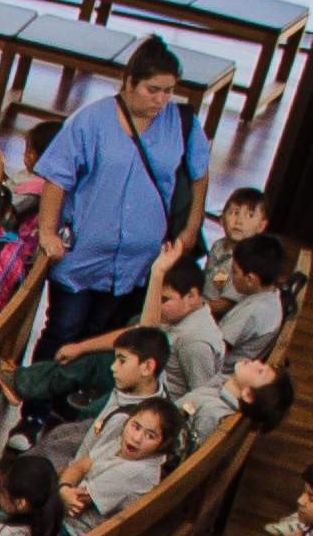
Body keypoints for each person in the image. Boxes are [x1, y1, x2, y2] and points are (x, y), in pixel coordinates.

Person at [23, 37, 208, 354]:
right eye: (153, 90)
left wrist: (191, 228)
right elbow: (57, 178)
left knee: (106, 338)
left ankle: (74, 404)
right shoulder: (91, 120)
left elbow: (199, 175)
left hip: (140, 262)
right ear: (130, 83)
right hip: (82, 257)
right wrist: (49, 232)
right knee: (63, 331)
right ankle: (39, 402)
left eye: (168, 91)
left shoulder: (182, 123)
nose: (161, 100)